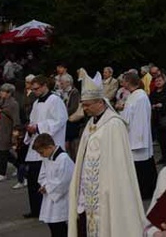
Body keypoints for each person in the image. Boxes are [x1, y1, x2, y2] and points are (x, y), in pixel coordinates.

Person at [68, 76, 146, 237]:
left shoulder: (114, 125)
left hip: (106, 193)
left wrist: (108, 189)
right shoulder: (91, 124)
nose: (85, 109)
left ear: (100, 102)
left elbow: (119, 167)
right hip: (87, 193)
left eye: (87, 105)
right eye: (83, 105)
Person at [24, 75, 68, 220]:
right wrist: (30, 129)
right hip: (36, 145)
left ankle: (45, 209)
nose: (34, 91)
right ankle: (35, 209)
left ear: (44, 86)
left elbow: (60, 120)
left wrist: (38, 127)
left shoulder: (55, 100)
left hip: (49, 146)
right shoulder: (36, 103)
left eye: (36, 88)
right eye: (32, 89)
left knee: (47, 178)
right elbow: (32, 120)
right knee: (33, 180)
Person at [121, 72, 157, 200]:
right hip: (131, 135)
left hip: (137, 138)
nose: (122, 83)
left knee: (143, 167)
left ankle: (146, 192)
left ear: (129, 82)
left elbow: (140, 120)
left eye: (124, 80)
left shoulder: (140, 97)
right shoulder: (133, 95)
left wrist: (138, 140)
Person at [33, 133, 74, 237]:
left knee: (60, 228)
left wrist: (47, 187)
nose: (41, 155)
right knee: (52, 226)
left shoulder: (63, 159)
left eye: (41, 152)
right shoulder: (47, 157)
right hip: (50, 198)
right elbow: (42, 175)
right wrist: (44, 185)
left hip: (61, 199)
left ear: (50, 147)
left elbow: (64, 181)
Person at [0, 83, 21, 183]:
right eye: (1, 90)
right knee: (3, 153)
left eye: (3, 91)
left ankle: (2, 173)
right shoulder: (1, 101)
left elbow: (16, 120)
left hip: (7, 131)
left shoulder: (13, 104)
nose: (1, 92)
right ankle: (20, 166)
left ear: (9, 93)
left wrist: (15, 133)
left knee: (2, 153)